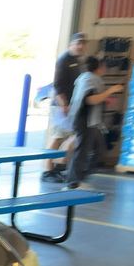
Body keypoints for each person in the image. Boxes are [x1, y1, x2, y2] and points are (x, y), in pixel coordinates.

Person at [65, 56, 123, 189]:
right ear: (98, 68)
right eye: (103, 67)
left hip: (93, 121)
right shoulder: (88, 79)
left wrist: (105, 99)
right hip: (84, 120)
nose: (105, 69)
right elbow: (89, 100)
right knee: (82, 150)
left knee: (99, 149)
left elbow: (94, 98)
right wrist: (110, 91)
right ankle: (73, 181)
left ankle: (81, 176)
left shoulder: (91, 79)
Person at [42, 32, 86, 181]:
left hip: (71, 104)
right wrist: (63, 104)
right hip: (61, 105)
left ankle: (60, 164)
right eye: (77, 43)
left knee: (73, 136)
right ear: (71, 44)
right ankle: (48, 169)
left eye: (82, 43)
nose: (80, 46)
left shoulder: (78, 61)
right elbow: (58, 85)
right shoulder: (64, 60)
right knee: (58, 136)